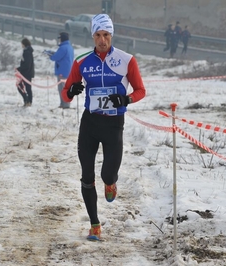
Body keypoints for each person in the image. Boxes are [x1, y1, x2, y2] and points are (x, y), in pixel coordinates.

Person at [61, 14, 146, 241]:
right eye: (98, 35)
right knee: (87, 176)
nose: (102, 40)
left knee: (107, 173)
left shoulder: (127, 60)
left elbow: (140, 90)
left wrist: (126, 100)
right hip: (90, 122)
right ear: (93, 36)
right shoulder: (82, 61)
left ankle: (110, 183)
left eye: (106, 35)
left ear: (112, 35)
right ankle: (94, 225)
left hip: (113, 124)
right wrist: (71, 92)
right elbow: (66, 92)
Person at [48, 32, 74, 109]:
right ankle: (65, 103)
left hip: (62, 71)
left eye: (59, 38)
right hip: (68, 70)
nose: (59, 40)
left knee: (62, 88)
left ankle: (64, 104)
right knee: (66, 88)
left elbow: (56, 57)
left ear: (62, 39)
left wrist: (51, 55)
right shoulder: (69, 47)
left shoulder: (63, 48)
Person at [16, 38, 35, 107]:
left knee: (20, 86)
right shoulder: (28, 51)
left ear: (24, 44)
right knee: (27, 88)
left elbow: (27, 64)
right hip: (28, 72)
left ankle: (27, 100)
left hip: (26, 73)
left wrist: (19, 68)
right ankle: (28, 101)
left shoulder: (26, 52)